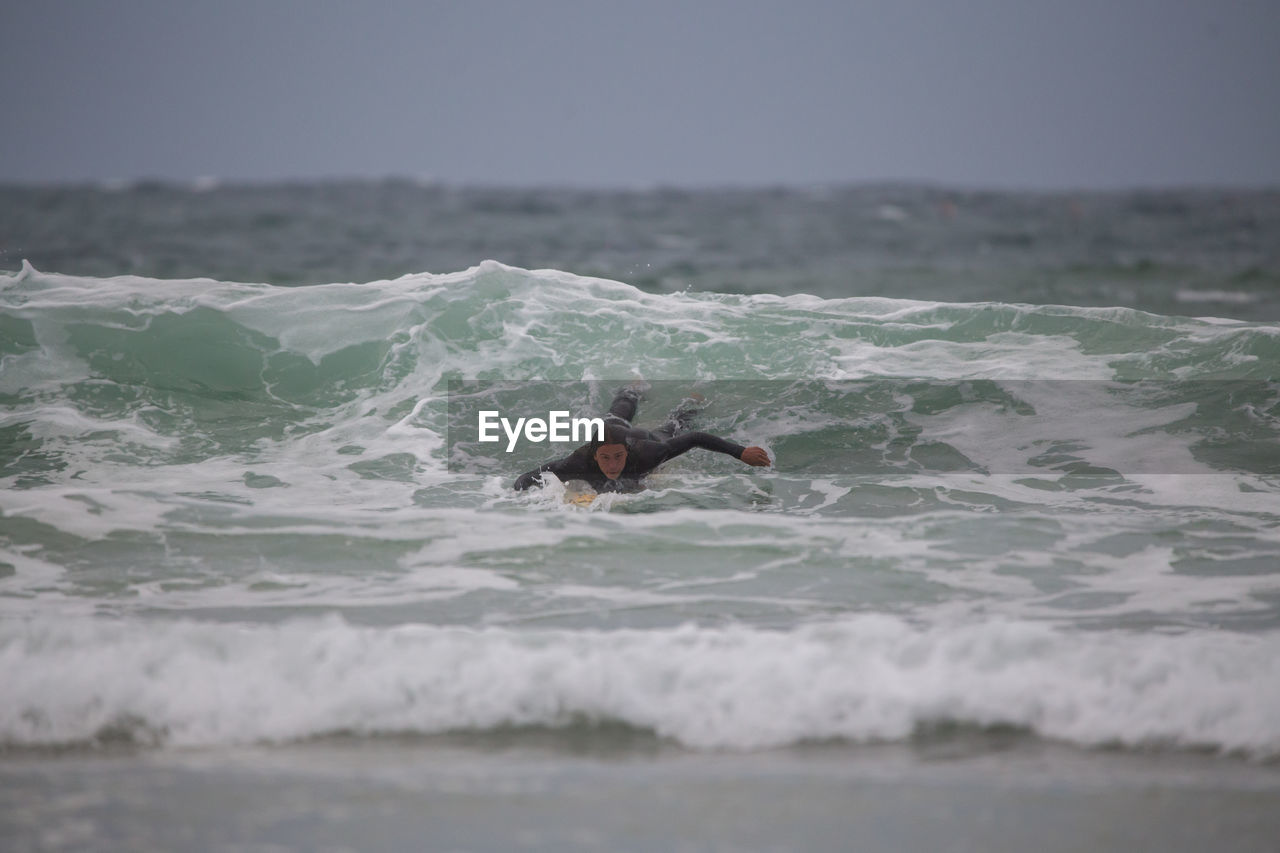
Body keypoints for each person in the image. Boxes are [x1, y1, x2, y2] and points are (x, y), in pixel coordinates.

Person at [512, 386, 771, 492]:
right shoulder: (578, 462)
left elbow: (695, 438)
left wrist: (740, 452)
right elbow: (525, 478)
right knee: (618, 412)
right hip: (614, 429)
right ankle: (634, 388)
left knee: (676, 424)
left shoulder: (649, 453)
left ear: (627, 453)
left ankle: (693, 401)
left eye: (617, 458)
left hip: (645, 437)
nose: (612, 464)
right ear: (594, 456)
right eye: (605, 459)